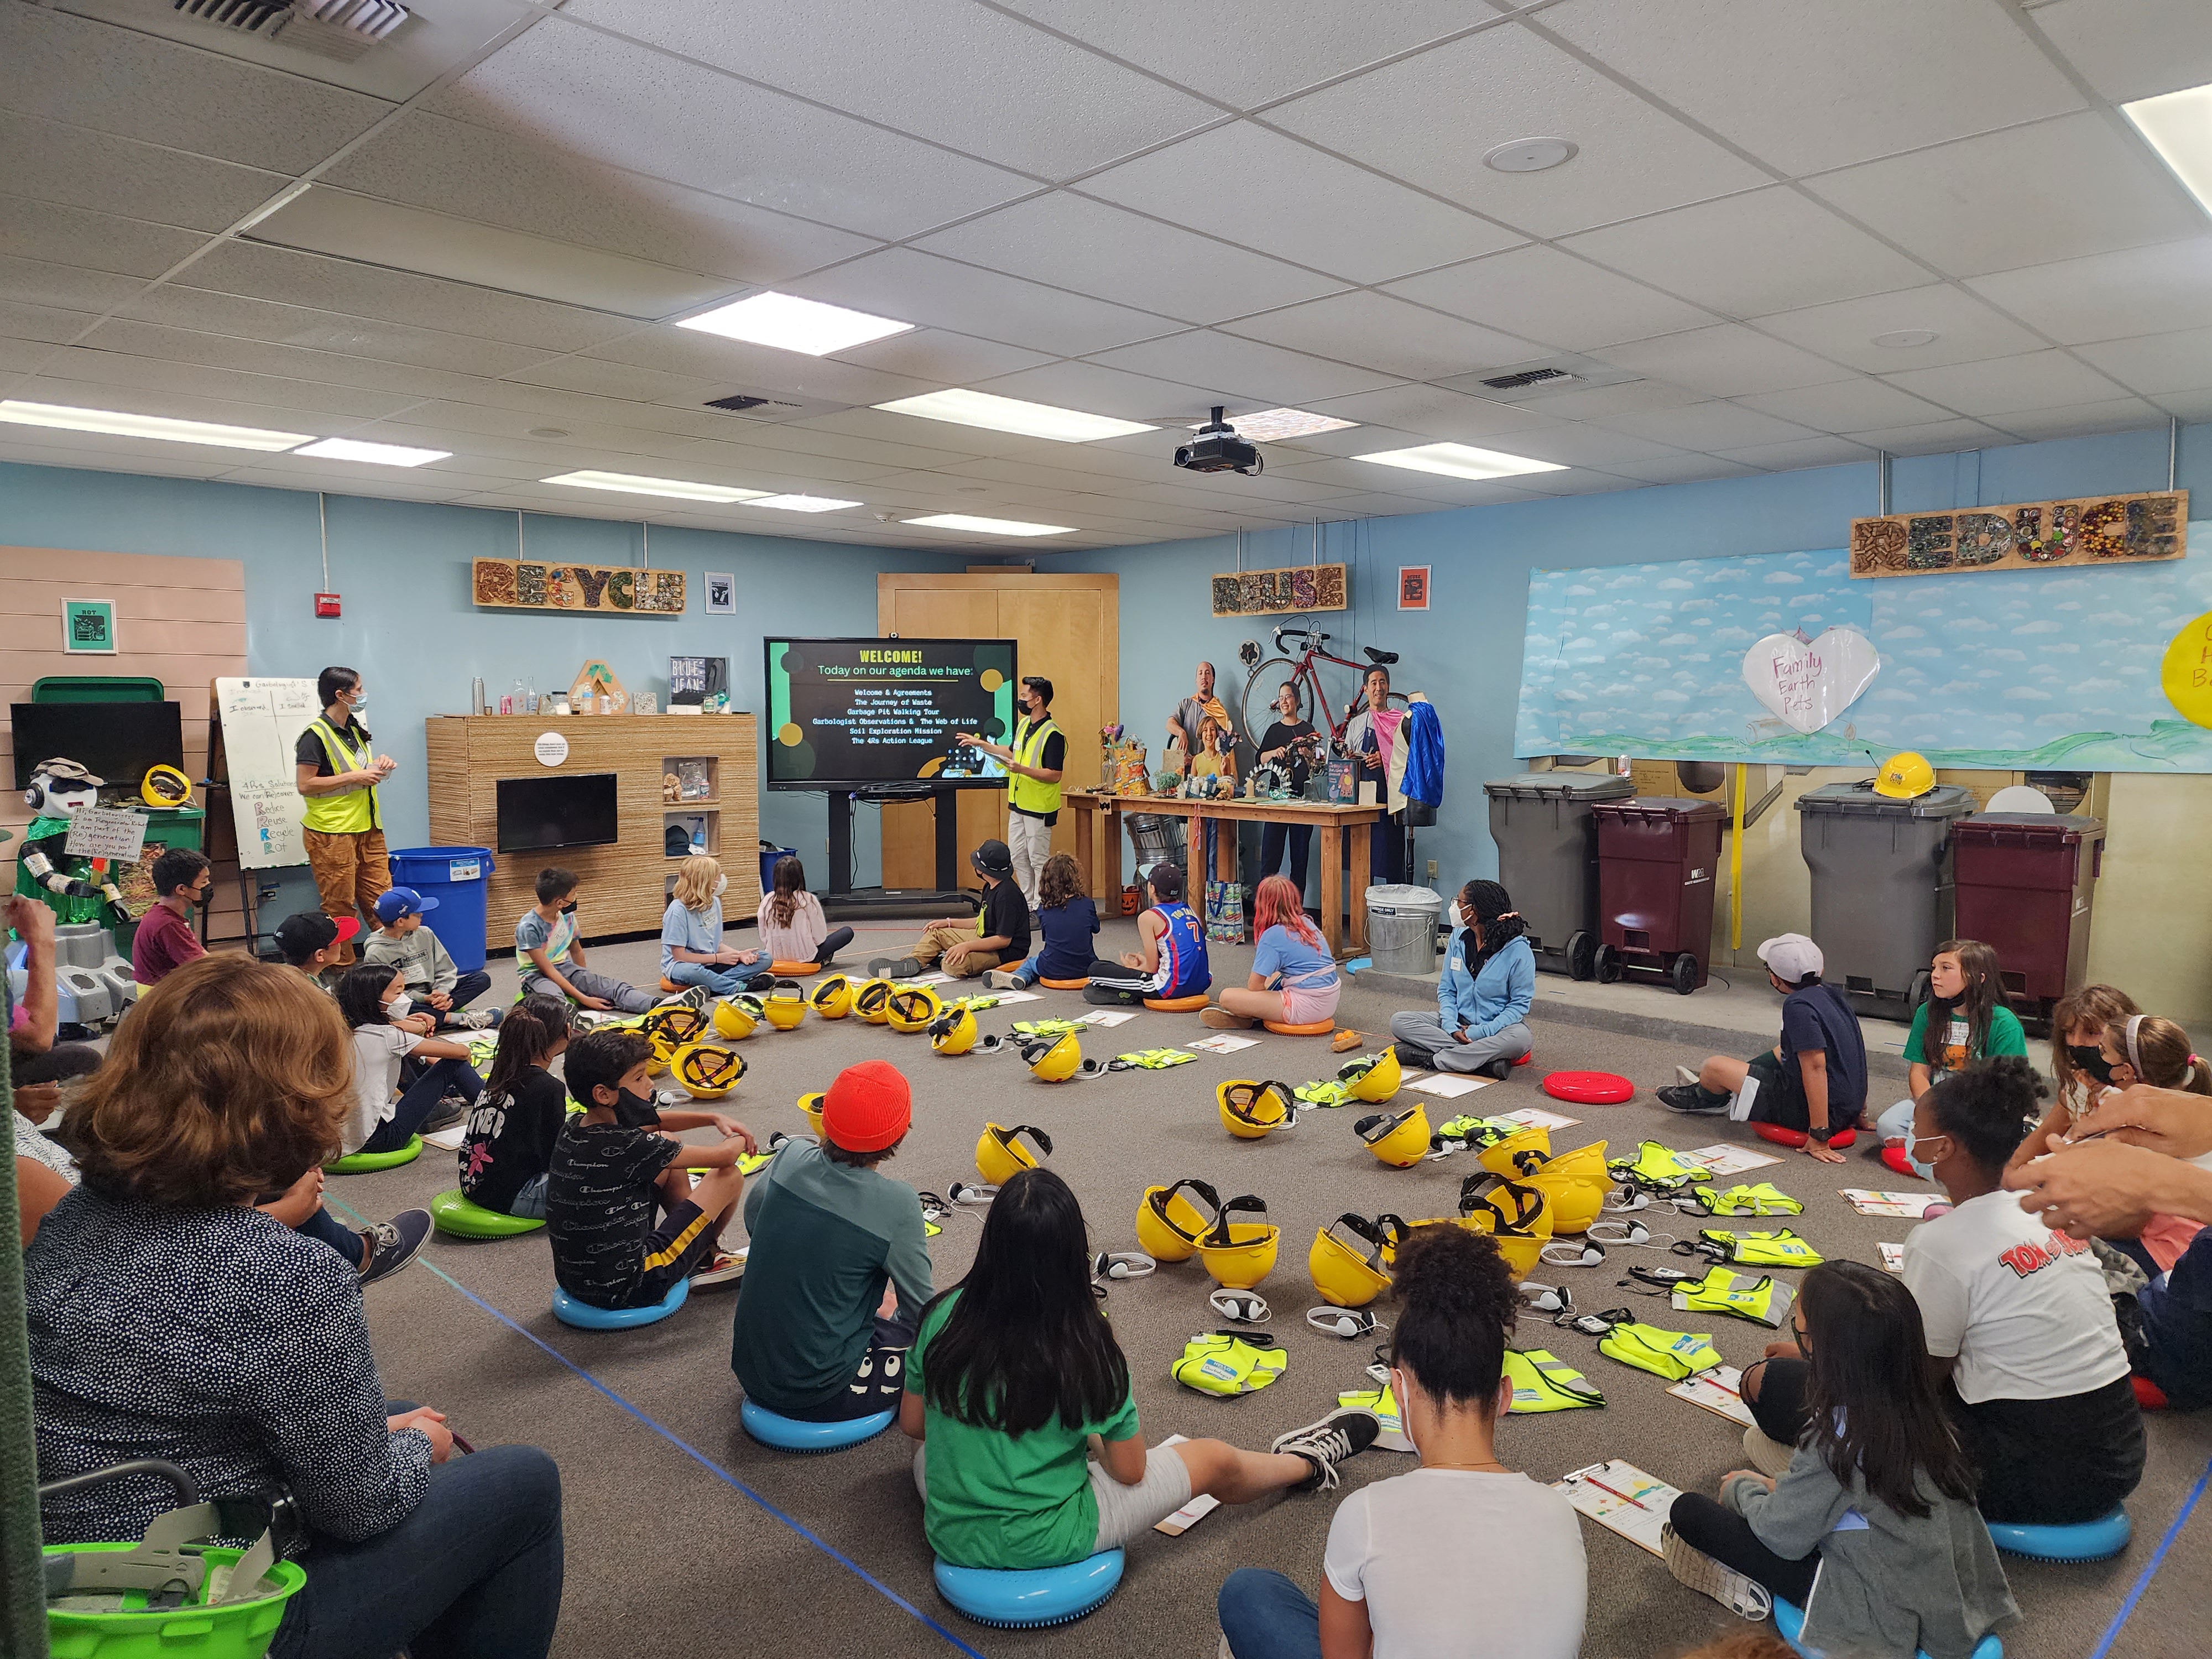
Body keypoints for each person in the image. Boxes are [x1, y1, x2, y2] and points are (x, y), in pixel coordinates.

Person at [28, 956, 564, 1659]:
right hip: (201, 1616)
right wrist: (414, 1446)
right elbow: (361, 1509)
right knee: (523, 1482)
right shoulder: (285, 1273)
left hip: (62, 1570)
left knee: (381, 1414)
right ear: (298, 1100)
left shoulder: (77, 1212)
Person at [904, 1166, 1378, 1572]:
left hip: (951, 1531)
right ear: (1074, 1253)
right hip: (1050, 1539)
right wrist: (1088, 1434)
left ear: (991, 1244)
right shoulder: (1086, 1345)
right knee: (1210, 1458)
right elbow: (1130, 1471)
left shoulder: (941, 1314)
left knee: (939, 1451)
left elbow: (915, 1424)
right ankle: (1306, 1462)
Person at [1744, 1057, 2143, 1524]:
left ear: (1946, 1148)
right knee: (1799, 1367)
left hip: (2039, 1476)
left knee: (1765, 1383)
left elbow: (1912, 1383)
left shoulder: (1941, 1243)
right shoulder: (2040, 1206)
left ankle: (1838, 1486)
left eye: (1918, 1130)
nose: (1911, 1138)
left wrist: (1824, 1360)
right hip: (2121, 1454)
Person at [1217, 1223, 1587, 1659]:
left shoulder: (1366, 1513)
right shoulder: (1560, 1512)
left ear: (1398, 1389)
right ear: (1504, 1395)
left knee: (1249, 1592)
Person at [1663, 1261, 2016, 1656]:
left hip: (1886, 1601)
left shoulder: (1837, 1441)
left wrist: (1740, 1491)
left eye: (1798, 1320)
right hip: (1940, 1573)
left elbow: (1782, 1536)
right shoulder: (1923, 1410)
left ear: (1818, 1344)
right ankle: (1783, 1489)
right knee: (1758, 1446)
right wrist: (1781, 1486)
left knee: (1689, 1512)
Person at [731, 1060, 933, 1420]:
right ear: (902, 1132)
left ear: (824, 1119)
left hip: (749, 1368)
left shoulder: (789, 1156)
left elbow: (754, 1223)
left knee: (878, 1303)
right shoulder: (898, 1203)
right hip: (821, 1391)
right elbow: (922, 1312)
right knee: (949, 1339)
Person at [546, 1028, 749, 1309]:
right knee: (729, 1176)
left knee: (667, 1143)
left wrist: (712, 1117)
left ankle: (701, 1252)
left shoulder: (576, 1127)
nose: (651, 1084)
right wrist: (740, 1135)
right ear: (604, 1094)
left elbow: (656, 1124)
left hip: (578, 1279)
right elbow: (725, 1156)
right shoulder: (627, 1146)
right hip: (631, 1285)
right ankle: (704, 1257)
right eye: (639, 1077)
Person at [1657, 933, 1866, 1164]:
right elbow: (1852, 1050)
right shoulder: (1832, 994)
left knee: (1714, 1067)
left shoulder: (1798, 1006)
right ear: (1821, 969)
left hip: (1817, 1114)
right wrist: (1859, 1112)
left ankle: (1708, 1098)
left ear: (1776, 978)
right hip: (1846, 1107)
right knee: (1754, 1062)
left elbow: (1815, 1067)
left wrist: (1819, 1134)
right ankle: (1717, 1085)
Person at [1874, 940, 2026, 1162]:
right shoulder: (1927, 1013)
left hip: (1984, 1108)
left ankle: (1934, 1147)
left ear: (1978, 978)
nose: (1935, 975)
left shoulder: (2004, 1023)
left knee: (1990, 1138)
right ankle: (1946, 1148)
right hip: (1939, 1102)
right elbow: (1919, 1073)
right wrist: (1932, 1111)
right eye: (1934, 967)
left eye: (1946, 968)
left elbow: (2006, 1091)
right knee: (1888, 1126)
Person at [295, 665, 396, 968]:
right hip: (332, 833)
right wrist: (355, 776)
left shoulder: (354, 728)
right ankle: (343, 973)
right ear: (340, 695)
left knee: (385, 901)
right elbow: (306, 784)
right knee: (340, 908)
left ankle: (391, 967)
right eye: (359, 690)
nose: (364, 695)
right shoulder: (315, 736)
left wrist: (381, 767)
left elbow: (360, 774)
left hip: (368, 829)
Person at [335, 963, 482, 1157]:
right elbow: (461, 1052)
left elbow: (392, 1033)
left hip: (343, 1136)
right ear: (374, 1000)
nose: (404, 999)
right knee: (453, 1064)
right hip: (381, 1138)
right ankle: (498, 1113)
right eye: (398, 993)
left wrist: (413, 1027)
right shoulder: (389, 1037)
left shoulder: (345, 1029)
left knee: (416, 1056)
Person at [1389, 880, 1532, 1078]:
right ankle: (1484, 1064)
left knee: (1521, 1040)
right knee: (1400, 1021)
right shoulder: (1458, 938)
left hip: (1497, 1028)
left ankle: (1430, 1059)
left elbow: (1518, 1005)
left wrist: (1480, 1032)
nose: (1455, 906)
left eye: (1458, 901)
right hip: (1457, 1021)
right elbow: (1447, 989)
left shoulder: (1518, 950)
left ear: (1473, 911)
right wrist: (1450, 1024)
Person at [458, 996, 576, 1220]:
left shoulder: (501, 1072)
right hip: (511, 1196)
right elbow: (554, 1159)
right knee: (610, 1173)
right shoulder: (549, 1087)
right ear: (566, 1031)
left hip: (474, 1186)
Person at [2009, 983, 2141, 1179]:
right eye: (2070, 1032)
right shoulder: (2081, 1083)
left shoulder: (2142, 1096)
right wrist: (2006, 1177)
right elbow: (2046, 1133)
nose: (2076, 1042)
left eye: (2091, 1032)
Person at [959, 674, 1064, 911]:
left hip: (1039, 807)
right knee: (1017, 857)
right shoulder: (1024, 725)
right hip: (1018, 804)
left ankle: (1041, 906)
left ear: (1037, 700)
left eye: (1024, 696)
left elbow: (1055, 774)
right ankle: (1028, 904)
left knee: (1038, 859)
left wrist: (1022, 769)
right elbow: (1011, 751)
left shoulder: (1053, 734)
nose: (1020, 700)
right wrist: (980, 744)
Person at [872, 838, 1029, 981]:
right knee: (936, 932)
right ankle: (913, 961)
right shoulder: (990, 885)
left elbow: (1003, 940)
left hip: (1005, 951)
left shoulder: (1007, 896)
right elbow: (982, 920)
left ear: (983, 870)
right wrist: (949, 923)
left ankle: (941, 958)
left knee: (953, 965)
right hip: (984, 936)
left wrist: (967, 946)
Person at [518, 867, 663, 1013]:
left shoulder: (567, 917)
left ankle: (659, 1005)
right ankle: (571, 1024)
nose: (575, 898)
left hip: (565, 968)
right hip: (535, 975)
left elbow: (577, 951)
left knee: (609, 987)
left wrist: (585, 982)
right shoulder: (528, 927)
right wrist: (583, 998)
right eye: (573, 894)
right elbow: (547, 970)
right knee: (555, 1001)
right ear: (560, 902)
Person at [1205, 874, 1341, 1030]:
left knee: (1227, 997)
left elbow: (1255, 986)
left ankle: (1247, 1015)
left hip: (1305, 1008)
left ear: (1262, 904)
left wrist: (1258, 1001)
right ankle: (1253, 1012)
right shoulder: (1307, 923)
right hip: (1330, 1001)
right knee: (1274, 976)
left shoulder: (1272, 936)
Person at [362, 885, 497, 1030]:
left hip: (435, 993)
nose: (422, 916)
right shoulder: (376, 953)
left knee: (481, 979)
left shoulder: (425, 933)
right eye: (417, 914)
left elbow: (446, 969)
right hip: (408, 1000)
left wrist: (442, 993)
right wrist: (423, 998)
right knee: (398, 1009)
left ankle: (436, 1016)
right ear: (401, 921)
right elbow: (385, 996)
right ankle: (458, 1019)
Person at [1085, 861, 1209, 1004]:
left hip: (1170, 987)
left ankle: (1126, 993)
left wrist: (1133, 969)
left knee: (1095, 971)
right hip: (1201, 983)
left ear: (1152, 889)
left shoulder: (1148, 917)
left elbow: (1151, 968)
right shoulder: (1190, 911)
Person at [992, 852, 1119, 990]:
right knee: (1106, 965)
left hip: (1051, 968)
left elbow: (1047, 937)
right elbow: (1096, 928)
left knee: (1031, 963)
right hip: (1085, 968)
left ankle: (1019, 976)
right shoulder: (1087, 904)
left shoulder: (1043, 909)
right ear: (1075, 878)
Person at [660, 854, 771, 998]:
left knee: (765, 958)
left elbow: (716, 944)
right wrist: (717, 959)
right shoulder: (677, 911)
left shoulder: (715, 903)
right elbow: (680, 956)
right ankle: (735, 987)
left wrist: (739, 955)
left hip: (712, 962)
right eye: (716, 877)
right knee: (692, 972)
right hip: (683, 965)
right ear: (704, 881)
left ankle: (714, 985)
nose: (720, 880)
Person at [1253, 679, 1320, 893]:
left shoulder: (1308, 730)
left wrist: (1309, 754)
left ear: (1297, 701)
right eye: (1280, 698)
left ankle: (1296, 913)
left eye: (1288, 697)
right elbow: (1260, 758)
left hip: (1302, 801)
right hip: (1277, 800)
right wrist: (1274, 752)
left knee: (1300, 860)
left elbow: (1319, 763)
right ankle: (1266, 909)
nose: (1283, 702)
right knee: (1270, 858)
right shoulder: (1274, 731)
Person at [1342, 665, 1404, 885]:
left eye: (1383, 682)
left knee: (1392, 861)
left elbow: (1410, 761)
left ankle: (1392, 916)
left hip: (1390, 802)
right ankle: (1361, 917)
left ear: (1388, 686)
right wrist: (1351, 759)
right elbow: (1346, 764)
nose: (1379, 687)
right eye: (1374, 683)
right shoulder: (1357, 724)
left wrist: (1385, 759)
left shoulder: (1400, 722)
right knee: (1361, 859)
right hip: (1362, 803)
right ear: (1366, 689)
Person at [129, 846, 210, 988]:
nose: (208, 886)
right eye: (204, 882)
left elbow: (201, 955)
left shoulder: (164, 916)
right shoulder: (168, 924)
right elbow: (203, 967)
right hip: (159, 999)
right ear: (182, 890)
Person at [756, 854, 853, 966]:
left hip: (775, 957)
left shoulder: (767, 900)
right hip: (806, 958)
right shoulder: (808, 900)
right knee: (847, 932)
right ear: (800, 877)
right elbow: (819, 938)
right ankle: (823, 960)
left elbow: (764, 937)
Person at [275, 909, 359, 979]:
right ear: (320, 955)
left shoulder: (281, 979)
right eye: (337, 941)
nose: (340, 944)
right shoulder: (309, 994)